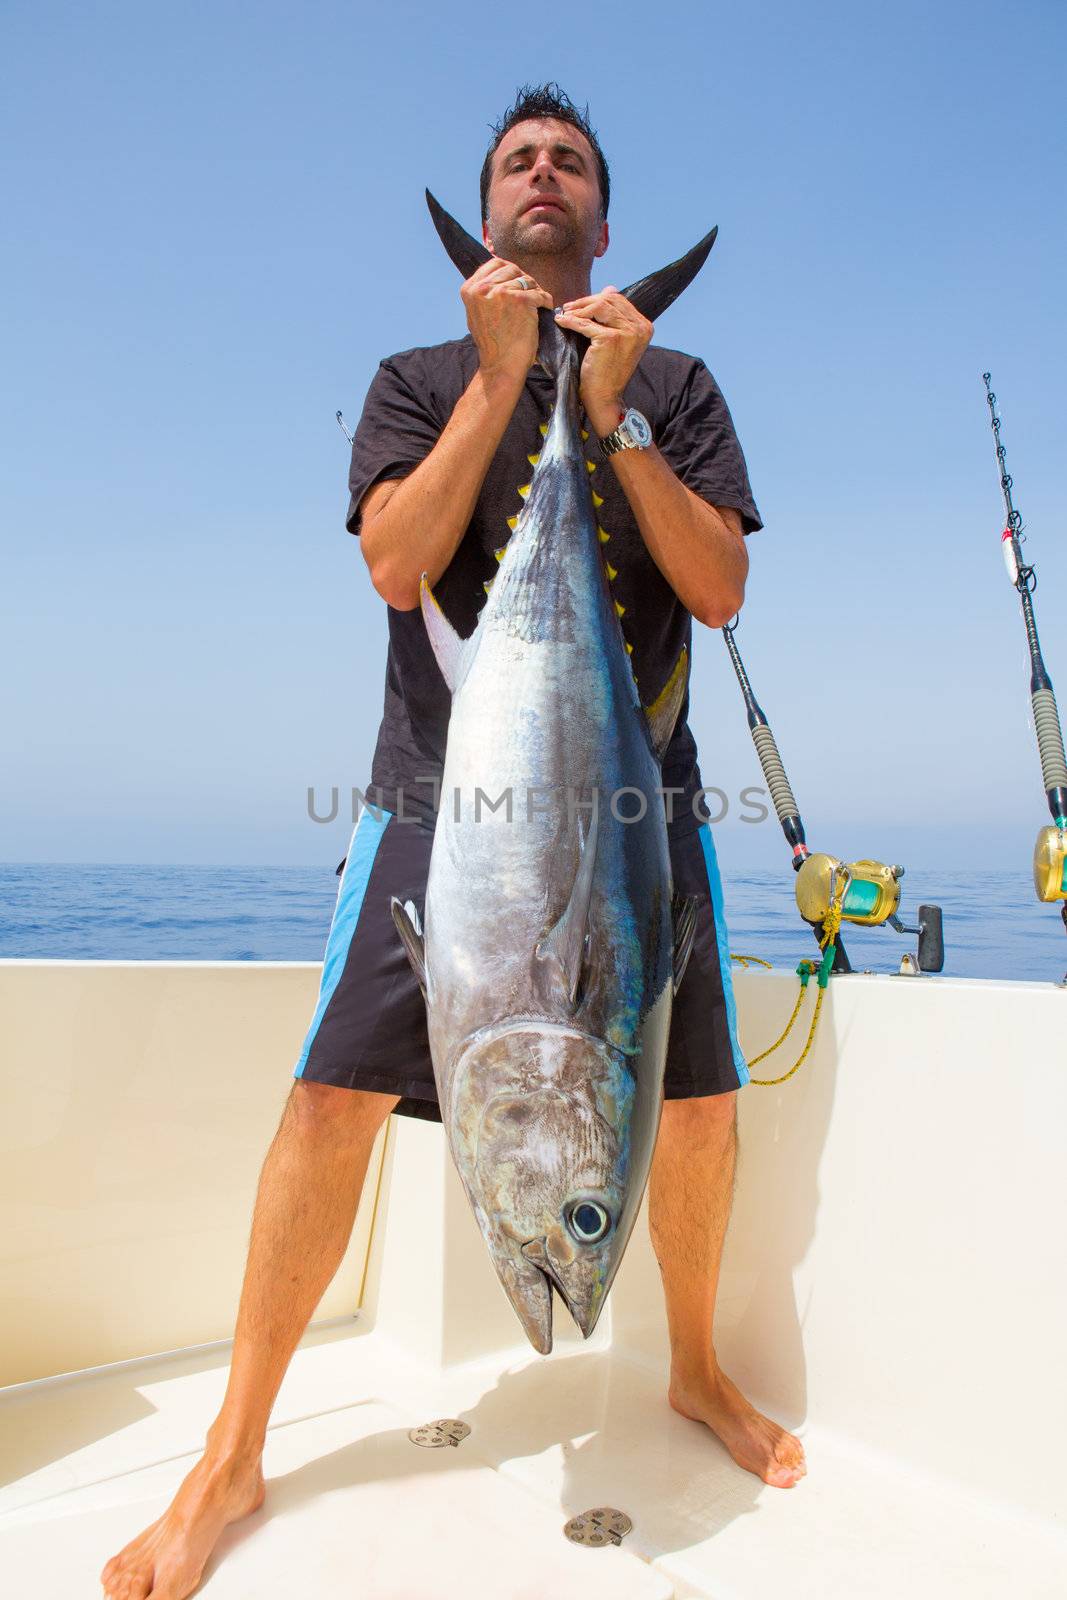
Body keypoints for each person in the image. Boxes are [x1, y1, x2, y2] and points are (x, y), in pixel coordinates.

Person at [101, 81, 805, 1600]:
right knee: (332, 1098)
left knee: (691, 1104)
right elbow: (397, 563)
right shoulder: (417, 374)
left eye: (567, 167)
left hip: (641, 815)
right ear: (489, 215)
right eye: (517, 164)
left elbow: (723, 587)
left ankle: (689, 1366)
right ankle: (231, 1450)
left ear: (601, 222)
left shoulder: (672, 382)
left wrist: (605, 418)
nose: (540, 179)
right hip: (441, 805)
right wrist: (503, 384)